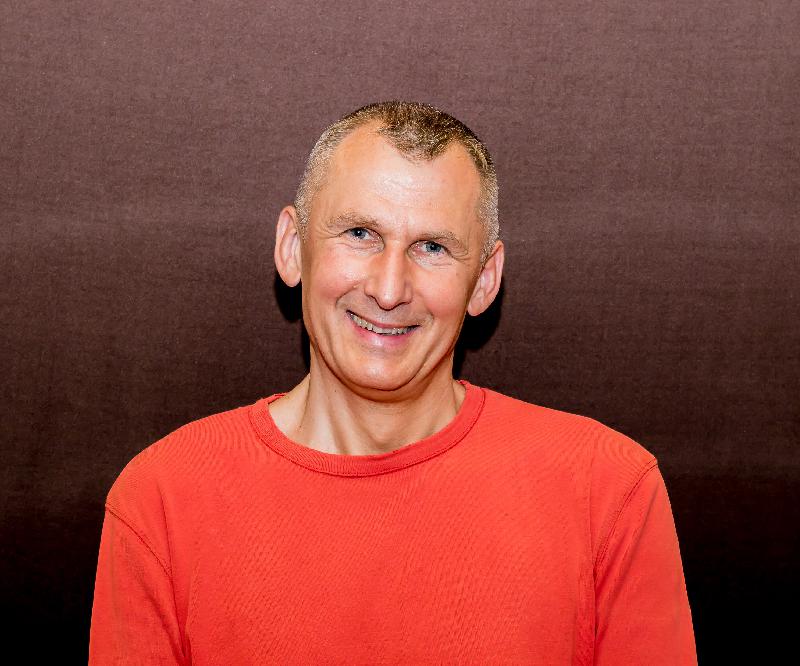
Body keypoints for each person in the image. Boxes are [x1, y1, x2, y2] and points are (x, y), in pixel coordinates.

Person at [89, 101, 697, 664]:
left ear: (485, 281)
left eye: (432, 247)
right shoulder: (161, 500)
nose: (388, 289)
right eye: (360, 234)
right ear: (293, 247)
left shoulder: (607, 491)